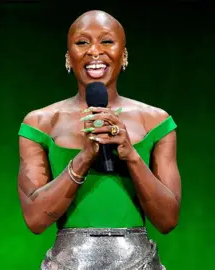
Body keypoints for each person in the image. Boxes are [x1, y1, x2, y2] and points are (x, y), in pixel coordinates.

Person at [17, 10, 180, 270]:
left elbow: (168, 219)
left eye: (106, 41)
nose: (94, 51)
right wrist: (82, 159)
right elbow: (35, 220)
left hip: (140, 263)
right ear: (69, 57)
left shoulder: (156, 122)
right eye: (82, 42)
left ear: (124, 55)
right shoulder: (40, 123)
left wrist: (131, 155)